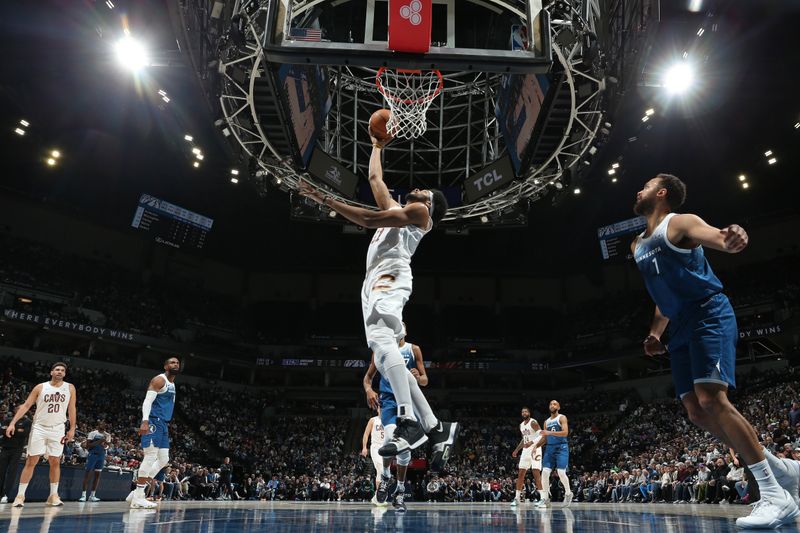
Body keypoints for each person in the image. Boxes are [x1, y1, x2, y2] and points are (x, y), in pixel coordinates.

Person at [631, 173, 799, 528]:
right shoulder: (637, 245)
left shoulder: (680, 223)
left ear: (661, 193)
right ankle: (782, 470)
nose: (638, 190)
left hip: (708, 312)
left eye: (645, 185)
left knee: (711, 399)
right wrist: (654, 334)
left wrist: (733, 234)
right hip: (678, 326)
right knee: (695, 411)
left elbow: (720, 236)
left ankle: (774, 495)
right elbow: (661, 295)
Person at [300, 129, 457, 469]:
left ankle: (407, 420)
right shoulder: (402, 208)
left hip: (392, 275)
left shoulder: (420, 214)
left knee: (386, 342)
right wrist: (375, 145)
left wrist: (324, 199)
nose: (418, 187)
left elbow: (368, 219)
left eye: (424, 190)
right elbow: (375, 178)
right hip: (374, 280)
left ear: (428, 202)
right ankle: (435, 427)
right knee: (384, 357)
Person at [363, 325, 432, 511]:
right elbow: (367, 378)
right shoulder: (380, 350)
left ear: (405, 331)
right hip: (388, 401)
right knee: (388, 439)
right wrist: (369, 389)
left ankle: (400, 492)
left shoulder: (413, 349)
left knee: (404, 451)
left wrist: (419, 377)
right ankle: (385, 477)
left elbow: (425, 380)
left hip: (408, 401)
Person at [5, 362, 76, 507]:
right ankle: (20, 496)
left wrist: (72, 428)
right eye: (57, 369)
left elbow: (72, 409)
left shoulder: (69, 388)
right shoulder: (40, 387)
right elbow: (26, 405)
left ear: (65, 373)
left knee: (55, 461)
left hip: (58, 429)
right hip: (39, 428)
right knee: (31, 461)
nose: (60, 372)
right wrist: (12, 423)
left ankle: (53, 495)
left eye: (62, 370)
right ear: (51, 372)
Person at [128, 356, 180, 509]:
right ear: (165, 366)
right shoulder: (159, 380)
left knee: (164, 459)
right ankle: (138, 497)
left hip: (163, 423)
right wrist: (145, 421)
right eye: (172, 362)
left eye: (177, 362)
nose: (175, 364)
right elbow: (147, 401)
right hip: (153, 421)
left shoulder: (172, 383)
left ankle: (137, 492)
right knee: (150, 456)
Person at [538, 400, 573, 507]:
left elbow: (565, 433)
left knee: (561, 472)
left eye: (554, 404)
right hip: (549, 449)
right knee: (544, 473)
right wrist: (536, 446)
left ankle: (568, 493)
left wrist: (550, 432)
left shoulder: (562, 417)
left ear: (559, 407)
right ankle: (545, 499)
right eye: (550, 404)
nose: (552, 405)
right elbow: (545, 438)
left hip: (561, 447)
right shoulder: (546, 422)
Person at [511, 406, 544, 506]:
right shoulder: (521, 425)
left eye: (526, 411)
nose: (524, 413)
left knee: (536, 473)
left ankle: (543, 498)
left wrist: (532, 443)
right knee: (521, 473)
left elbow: (542, 435)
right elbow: (524, 440)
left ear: (529, 413)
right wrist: (517, 450)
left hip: (535, 448)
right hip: (525, 450)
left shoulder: (533, 422)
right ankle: (517, 498)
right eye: (522, 412)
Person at [0, 405, 30, 504]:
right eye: (18, 408)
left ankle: (6, 494)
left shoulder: (27, 422)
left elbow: (24, 434)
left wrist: (11, 430)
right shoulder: (7, 419)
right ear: (15, 410)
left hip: (17, 450)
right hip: (5, 448)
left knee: (11, 473)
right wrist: (17, 431)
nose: (20, 410)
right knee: (1, 472)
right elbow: (2, 431)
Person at [360, 407, 387, 506]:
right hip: (376, 447)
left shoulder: (389, 420)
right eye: (380, 408)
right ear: (378, 409)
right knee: (380, 468)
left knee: (382, 472)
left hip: (386, 448)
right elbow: (366, 434)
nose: (382, 410)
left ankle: (377, 496)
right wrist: (364, 447)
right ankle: (379, 495)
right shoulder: (373, 420)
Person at [79, 421, 111, 502]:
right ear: (98, 425)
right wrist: (99, 442)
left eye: (104, 425)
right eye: (101, 424)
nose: (103, 426)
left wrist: (105, 445)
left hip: (101, 455)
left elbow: (108, 446)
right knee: (88, 474)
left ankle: (92, 496)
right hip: (92, 454)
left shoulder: (107, 435)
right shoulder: (93, 433)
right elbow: (87, 445)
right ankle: (83, 495)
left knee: (97, 476)